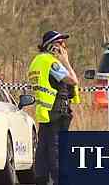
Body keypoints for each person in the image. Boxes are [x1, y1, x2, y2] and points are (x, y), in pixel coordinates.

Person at [28, 30, 80, 185]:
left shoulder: (37, 61)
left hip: (46, 111)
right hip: (57, 111)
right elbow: (73, 80)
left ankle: (42, 181)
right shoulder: (51, 62)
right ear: (52, 47)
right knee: (56, 151)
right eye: (60, 43)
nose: (64, 47)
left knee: (43, 150)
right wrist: (66, 61)